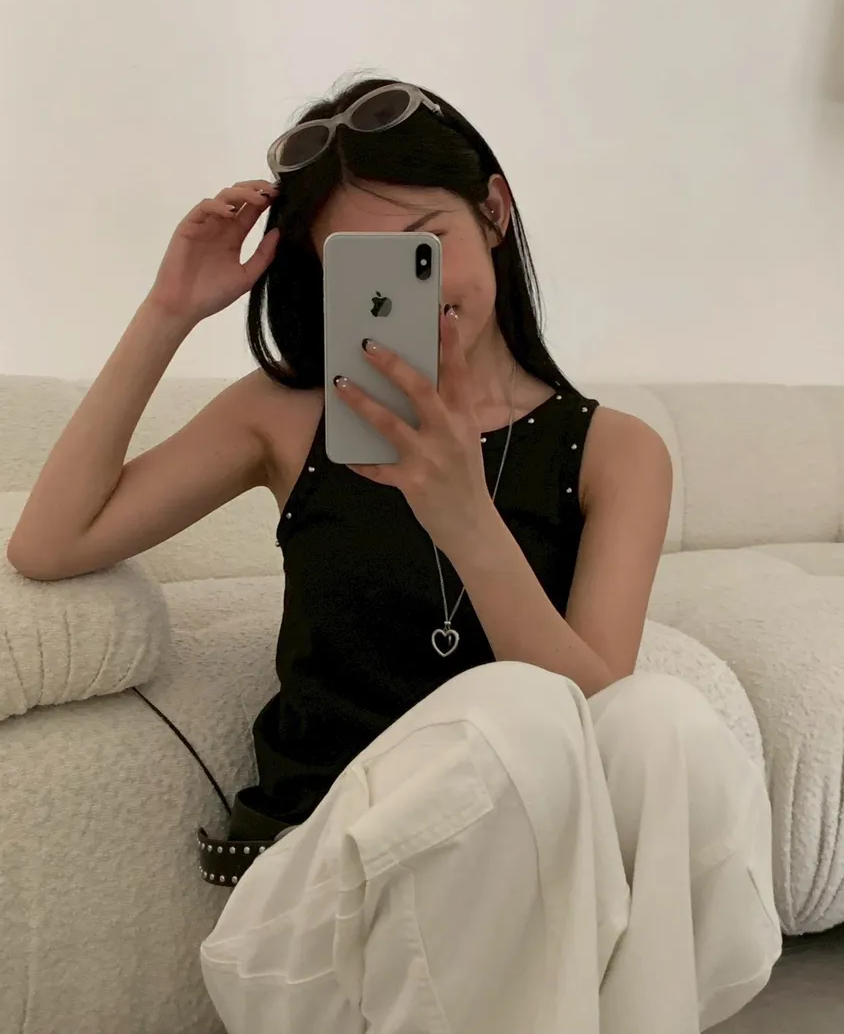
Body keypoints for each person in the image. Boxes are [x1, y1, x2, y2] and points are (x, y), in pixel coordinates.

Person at [7, 77, 782, 1033]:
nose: (411, 283)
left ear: (494, 211)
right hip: (320, 906)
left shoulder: (616, 451)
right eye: (362, 262)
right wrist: (171, 307)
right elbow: (50, 543)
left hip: (530, 904)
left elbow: (601, 716)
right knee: (519, 712)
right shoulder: (289, 415)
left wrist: (465, 516)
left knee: (664, 721)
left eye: (426, 240)